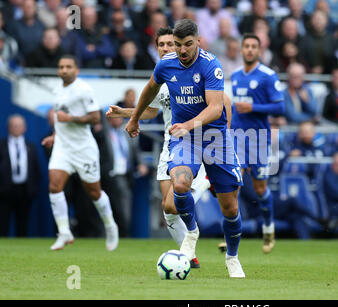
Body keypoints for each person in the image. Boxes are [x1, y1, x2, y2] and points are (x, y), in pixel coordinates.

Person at [124, 20, 245, 278]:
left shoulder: (211, 65)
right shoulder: (166, 64)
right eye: (178, 45)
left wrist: (188, 125)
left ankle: (232, 258)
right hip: (185, 138)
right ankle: (191, 231)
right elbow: (149, 90)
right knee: (179, 185)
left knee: (231, 209)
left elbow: (215, 108)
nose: (182, 50)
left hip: (215, 138)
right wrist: (133, 118)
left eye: (187, 44)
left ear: (197, 41)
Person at [41, 55, 119, 251]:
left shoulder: (84, 90)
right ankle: (64, 232)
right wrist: (54, 136)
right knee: (54, 186)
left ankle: (110, 225)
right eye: (61, 67)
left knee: (94, 192)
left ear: (76, 69)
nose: (64, 70)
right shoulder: (58, 90)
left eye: (68, 67)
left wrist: (71, 118)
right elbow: (60, 120)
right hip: (63, 148)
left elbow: (95, 118)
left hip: (84, 149)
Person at [230, 33, 285, 254]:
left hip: (259, 139)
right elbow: (235, 108)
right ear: (241, 50)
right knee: (233, 186)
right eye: (247, 46)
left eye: (254, 46)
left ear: (259, 51)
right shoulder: (234, 76)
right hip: (237, 138)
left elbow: (280, 108)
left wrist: (253, 108)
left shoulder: (268, 76)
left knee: (260, 188)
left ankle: (268, 229)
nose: (250, 50)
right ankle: (232, 233)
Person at [0, 115, 40, 237]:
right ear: (8, 128)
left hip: (25, 191)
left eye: (19, 126)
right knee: (3, 224)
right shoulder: (1, 145)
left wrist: (33, 189)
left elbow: (35, 169)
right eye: (14, 125)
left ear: (24, 128)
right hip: (5, 191)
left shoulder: (31, 146)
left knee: (23, 225)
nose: (16, 128)